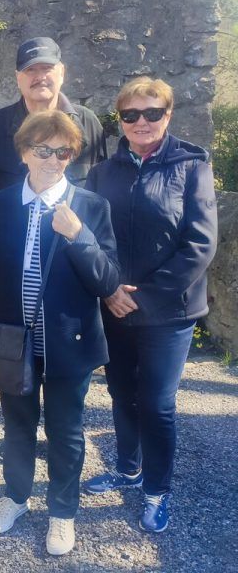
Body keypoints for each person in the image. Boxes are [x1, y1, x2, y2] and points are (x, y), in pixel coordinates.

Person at [0, 111, 119, 555]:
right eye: (43, 150)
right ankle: (15, 497)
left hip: (67, 343)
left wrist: (79, 236)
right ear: (24, 153)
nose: (54, 159)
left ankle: (62, 513)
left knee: (65, 430)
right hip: (14, 339)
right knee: (17, 427)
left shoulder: (90, 206)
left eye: (63, 151)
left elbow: (107, 282)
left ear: (72, 155)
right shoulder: (1, 203)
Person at [83, 77, 218, 533]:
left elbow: (200, 244)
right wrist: (110, 290)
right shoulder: (103, 172)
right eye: (131, 115)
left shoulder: (192, 165)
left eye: (152, 113)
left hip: (169, 311)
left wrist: (147, 295)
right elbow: (90, 238)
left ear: (169, 115)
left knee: (158, 404)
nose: (141, 122)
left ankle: (158, 491)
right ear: (119, 119)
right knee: (121, 393)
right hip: (113, 304)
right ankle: (128, 469)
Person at [0, 36, 107, 273]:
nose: (39, 76)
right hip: (12, 260)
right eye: (30, 69)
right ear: (18, 78)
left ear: (62, 73)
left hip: (72, 263)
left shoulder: (88, 124)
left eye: (47, 68)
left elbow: (103, 199)